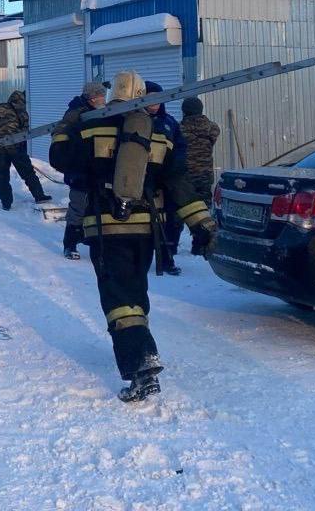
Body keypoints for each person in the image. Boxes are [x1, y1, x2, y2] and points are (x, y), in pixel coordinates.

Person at [74, 72, 217, 401]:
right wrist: (201, 224)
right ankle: (138, 343)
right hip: (145, 230)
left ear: (112, 94)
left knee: (118, 299)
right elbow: (178, 183)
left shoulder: (90, 126)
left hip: (107, 227)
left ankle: (142, 364)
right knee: (135, 293)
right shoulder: (160, 135)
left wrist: (74, 121)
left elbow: (62, 160)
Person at [54, 81, 108, 259]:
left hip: (97, 168)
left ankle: (92, 240)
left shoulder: (100, 112)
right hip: (80, 170)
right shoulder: (75, 114)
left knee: (96, 207)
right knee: (78, 207)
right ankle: (70, 244)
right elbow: (62, 137)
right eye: (100, 96)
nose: (103, 99)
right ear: (92, 98)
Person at [0, 90, 52, 210]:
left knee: (2, 176)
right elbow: (25, 135)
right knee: (28, 173)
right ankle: (39, 196)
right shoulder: (23, 113)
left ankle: (6, 203)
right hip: (16, 147)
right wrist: (23, 154)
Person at [179, 96, 221, 256]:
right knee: (203, 212)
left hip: (185, 176)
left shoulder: (180, 128)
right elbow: (213, 135)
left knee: (182, 210)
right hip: (204, 175)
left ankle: (171, 244)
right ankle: (200, 244)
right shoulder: (212, 128)